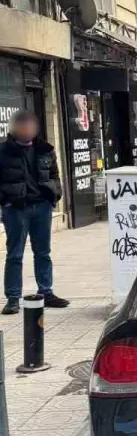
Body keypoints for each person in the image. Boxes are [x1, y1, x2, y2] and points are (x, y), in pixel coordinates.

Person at [0, 111, 68, 315]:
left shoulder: (45, 149)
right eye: (22, 126)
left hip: (41, 206)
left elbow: (55, 175)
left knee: (43, 252)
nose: (26, 130)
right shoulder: (4, 151)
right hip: (16, 208)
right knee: (15, 254)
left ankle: (46, 292)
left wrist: (54, 195)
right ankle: (13, 298)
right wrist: (6, 201)